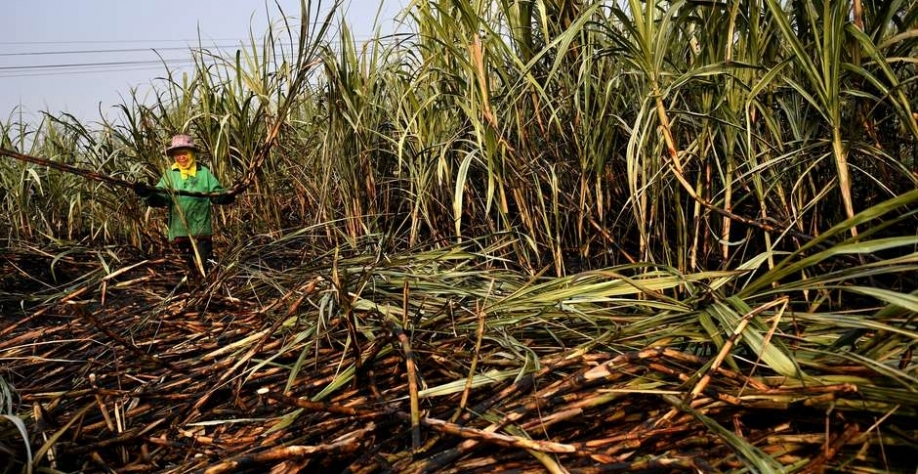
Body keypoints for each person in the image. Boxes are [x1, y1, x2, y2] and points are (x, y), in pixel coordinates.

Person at [134, 134, 236, 278]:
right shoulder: (170, 175)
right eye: (177, 154)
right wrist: (146, 193)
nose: (181, 157)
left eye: (185, 153)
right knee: (185, 272)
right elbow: (159, 198)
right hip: (179, 233)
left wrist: (228, 195)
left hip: (201, 233)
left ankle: (207, 288)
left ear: (192, 153)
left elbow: (217, 195)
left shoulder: (203, 173)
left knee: (203, 268)